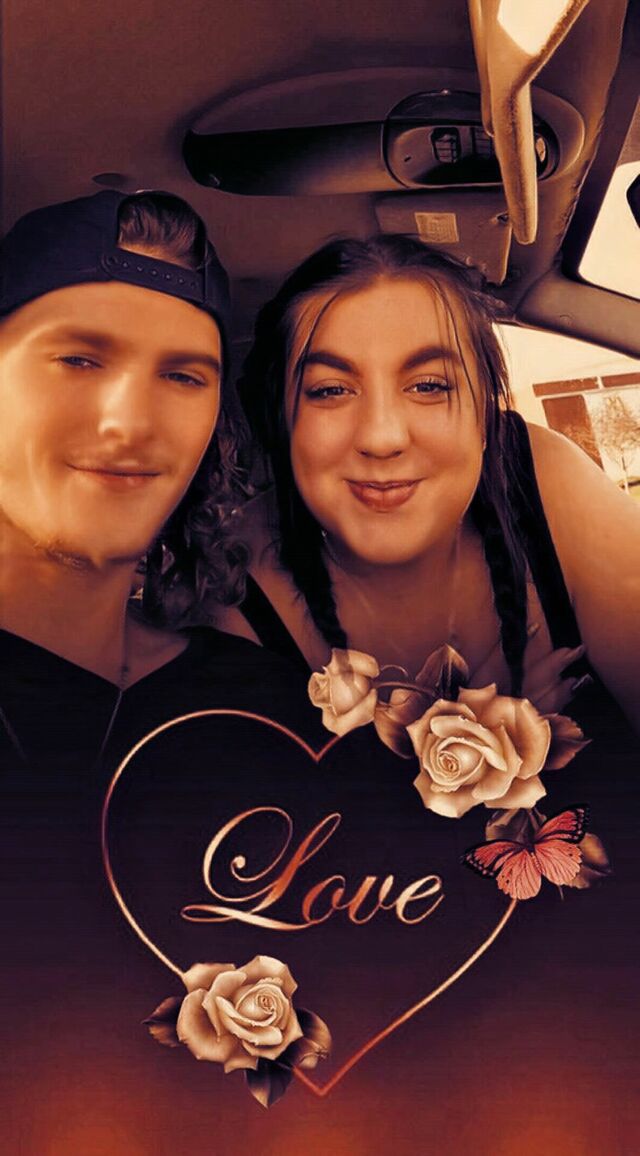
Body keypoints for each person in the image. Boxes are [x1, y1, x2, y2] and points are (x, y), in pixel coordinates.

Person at [220, 234, 640, 732]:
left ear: (485, 415)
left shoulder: (543, 478)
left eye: (428, 386)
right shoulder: (232, 589)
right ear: (281, 423)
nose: (382, 437)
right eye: (330, 391)